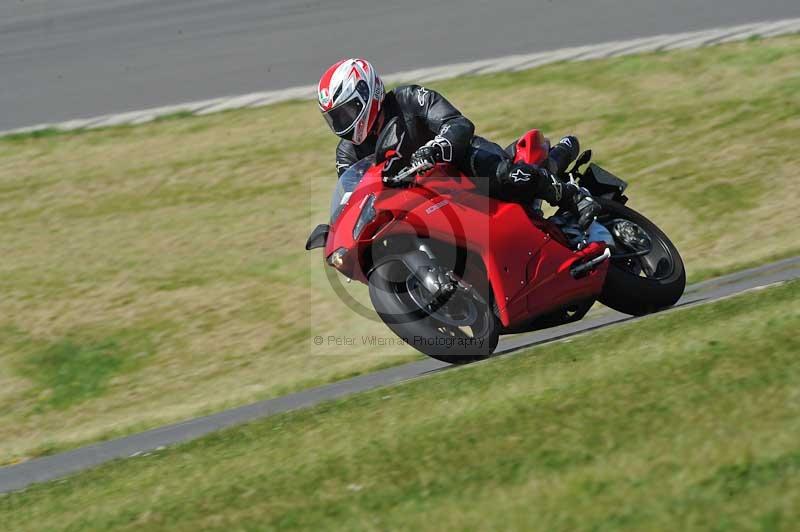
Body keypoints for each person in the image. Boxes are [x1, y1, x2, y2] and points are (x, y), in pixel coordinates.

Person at [318, 58, 600, 229]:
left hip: (459, 167)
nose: (345, 122)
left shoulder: (408, 98)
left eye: (348, 111)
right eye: (336, 117)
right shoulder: (347, 152)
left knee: (505, 176)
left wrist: (437, 147)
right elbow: (353, 196)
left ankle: (572, 196)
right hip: (419, 204)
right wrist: (334, 228)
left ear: (368, 92)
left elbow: (458, 124)